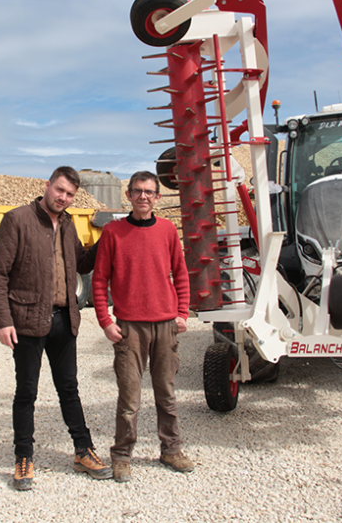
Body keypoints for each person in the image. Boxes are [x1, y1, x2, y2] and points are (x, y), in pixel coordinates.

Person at [0, 166, 111, 491]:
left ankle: (83, 451)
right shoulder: (18, 220)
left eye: (70, 194)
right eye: (59, 190)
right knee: (26, 393)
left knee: (69, 389)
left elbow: (82, 262)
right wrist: (3, 321)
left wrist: (107, 239)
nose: (63, 198)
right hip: (28, 321)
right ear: (47, 186)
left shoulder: (68, 225)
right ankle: (23, 458)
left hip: (64, 321)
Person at [92, 170, 193, 483]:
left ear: (158, 197)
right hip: (130, 328)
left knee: (167, 393)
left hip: (165, 325)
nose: (143, 197)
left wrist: (182, 313)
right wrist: (105, 321)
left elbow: (181, 273)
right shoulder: (113, 232)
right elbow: (99, 280)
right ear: (129, 195)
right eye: (137, 191)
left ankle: (171, 449)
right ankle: (122, 455)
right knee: (129, 398)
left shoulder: (167, 230)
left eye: (149, 192)